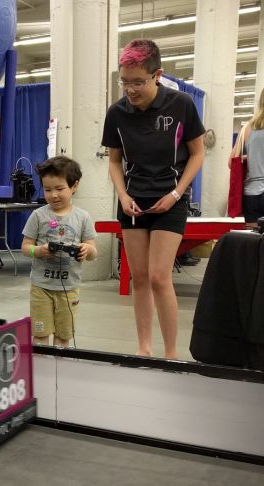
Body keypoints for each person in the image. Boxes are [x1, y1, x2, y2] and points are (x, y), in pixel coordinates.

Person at [101, 39, 205, 359]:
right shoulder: (117, 113)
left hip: (170, 200)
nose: (130, 89)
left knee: (160, 277)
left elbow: (198, 154)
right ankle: (144, 347)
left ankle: (171, 353)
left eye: (138, 82)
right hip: (133, 201)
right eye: (124, 81)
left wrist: (177, 194)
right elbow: (115, 161)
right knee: (140, 276)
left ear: (157, 75)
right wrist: (122, 194)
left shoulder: (181, 104)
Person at [21, 156, 97, 348]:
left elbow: (93, 251)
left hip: (69, 289)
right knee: (40, 336)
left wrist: (86, 250)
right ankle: (42, 372)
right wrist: (38, 251)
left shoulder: (83, 217)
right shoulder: (38, 215)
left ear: (74, 186)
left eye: (59, 189)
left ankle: (61, 369)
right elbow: (25, 247)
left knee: (64, 337)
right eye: (47, 190)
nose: (53, 195)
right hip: (41, 288)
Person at [229, 88, 264, 229]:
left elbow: (232, 162)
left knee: (254, 244)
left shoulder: (247, 128)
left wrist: (250, 157)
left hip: (251, 194)